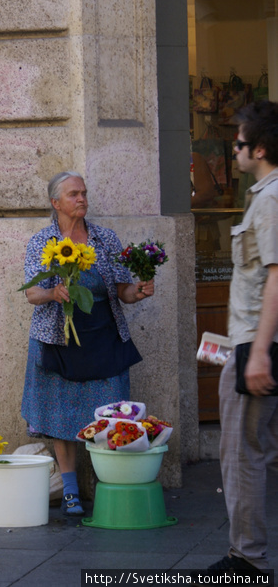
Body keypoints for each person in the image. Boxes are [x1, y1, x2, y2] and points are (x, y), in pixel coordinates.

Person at [20, 171, 154, 515]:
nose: (81, 199)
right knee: (60, 416)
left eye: (84, 193)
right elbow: (32, 292)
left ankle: (110, 485)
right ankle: (69, 491)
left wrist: (136, 292)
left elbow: (122, 289)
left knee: (110, 414)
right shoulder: (42, 242)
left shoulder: (105, 239)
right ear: (55, 203)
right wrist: (54, 292)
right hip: (59, 338)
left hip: (103, 336)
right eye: (73, 194)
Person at [204, 101, 278, 576]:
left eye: (239, 144)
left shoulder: (270, 199)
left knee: (242, 455)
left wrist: (257, 354)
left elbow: (276, 276)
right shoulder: (264, 195)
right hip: (253, 342)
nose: (234, 151)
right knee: (261, 447)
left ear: (261, 149)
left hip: (257, 343)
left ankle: (246, 561)